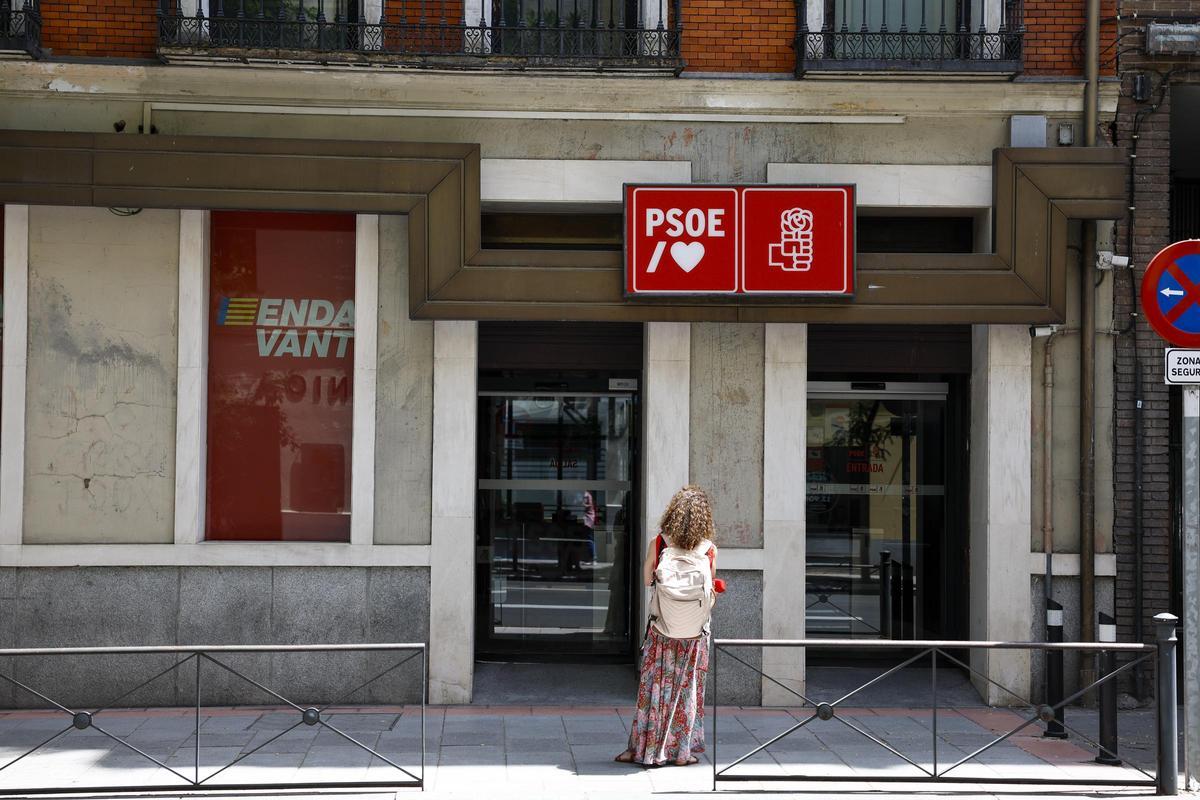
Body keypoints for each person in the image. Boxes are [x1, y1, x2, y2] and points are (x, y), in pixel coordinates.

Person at [614, 485, 720, 767]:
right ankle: (681, 752)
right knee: (687, 690)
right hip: (694, 635)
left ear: (673, 513)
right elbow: (711, 593)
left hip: (661, 629)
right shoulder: (709, 550)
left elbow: (647, 580)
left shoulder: (659, 543)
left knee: (653, 689)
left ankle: (644, 749)